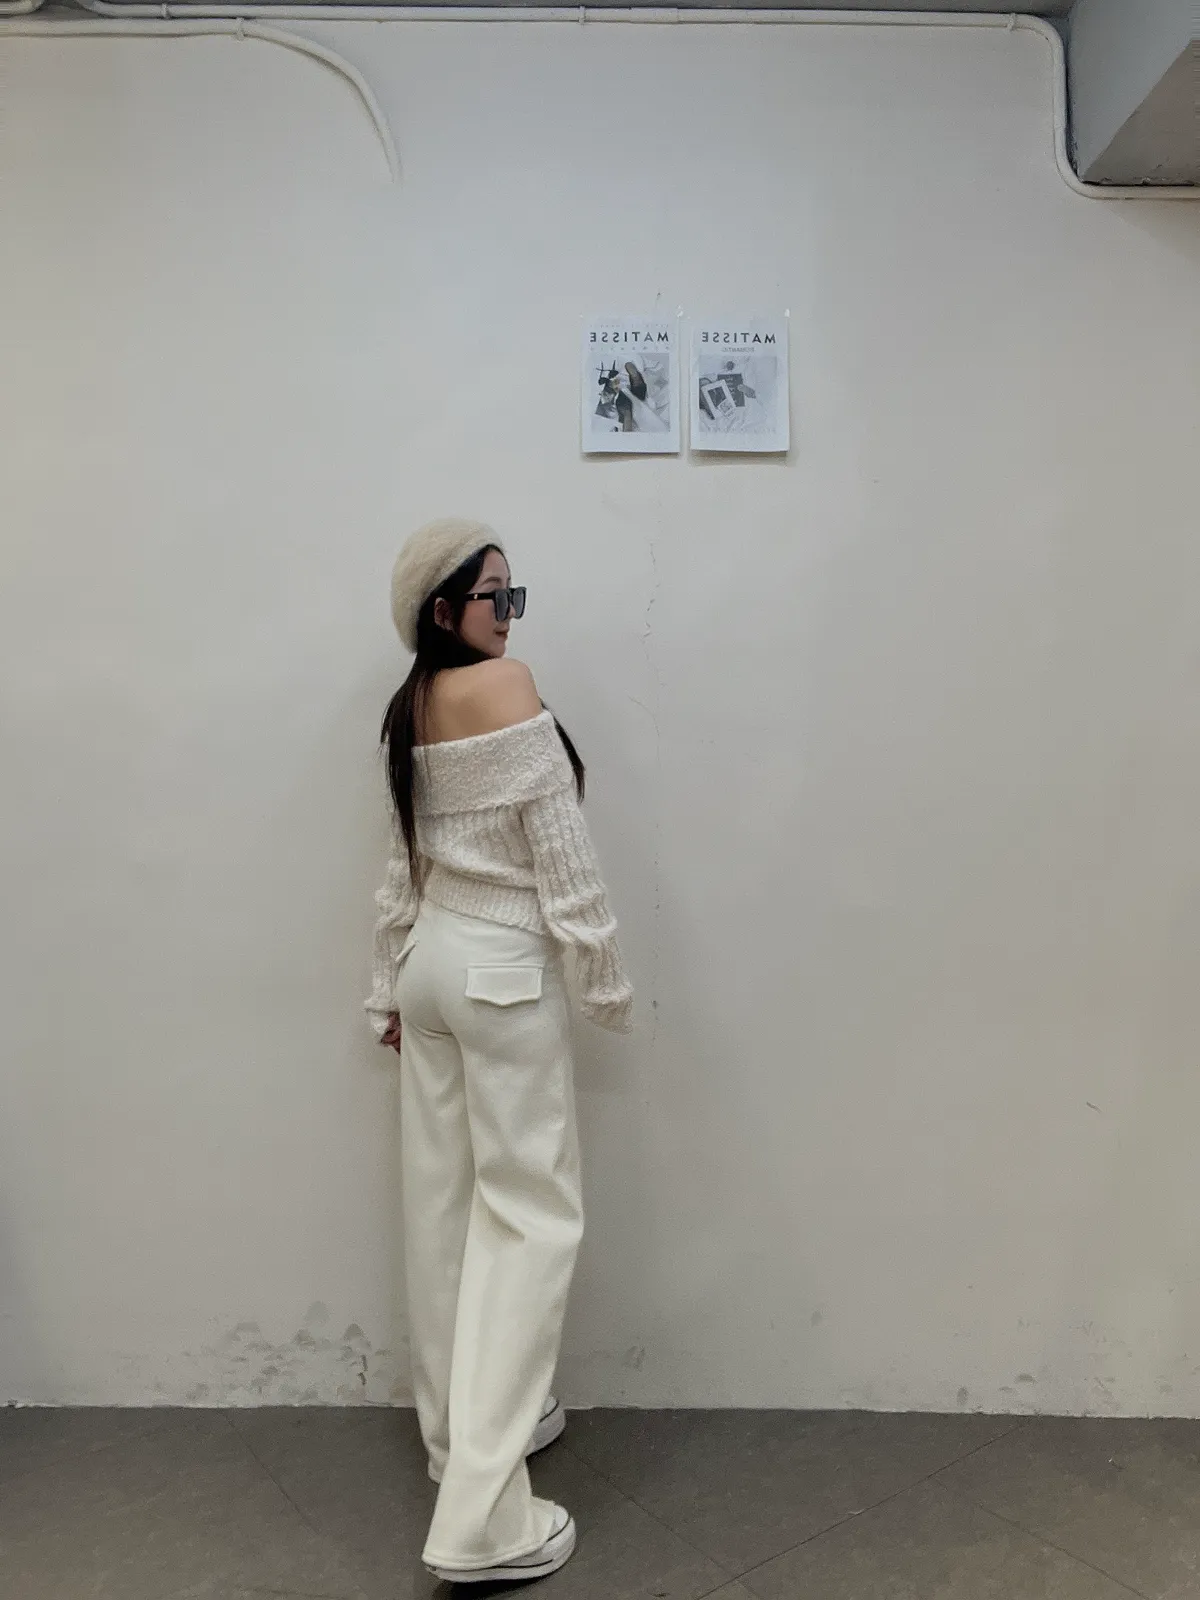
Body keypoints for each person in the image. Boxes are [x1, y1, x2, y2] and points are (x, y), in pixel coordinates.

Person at [365, 517, 634, 1586]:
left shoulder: (409, 706)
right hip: (502, 973)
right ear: (442, 609)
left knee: (442, 1210)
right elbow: (563, 853)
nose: (510, 617)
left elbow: (402, 863)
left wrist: (385, 983)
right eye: (494, 596)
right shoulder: (507, 687)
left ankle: (462, 1441)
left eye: (515, 598)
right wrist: (602, 976)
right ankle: (484, 1522)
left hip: (431, 966)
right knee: (529, 1218)